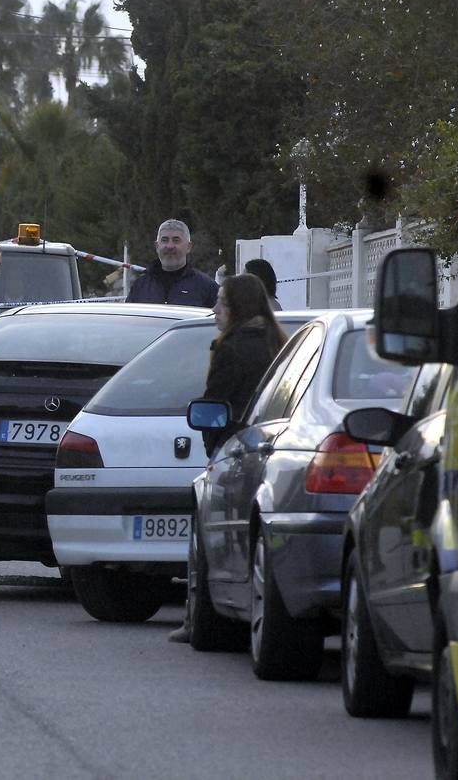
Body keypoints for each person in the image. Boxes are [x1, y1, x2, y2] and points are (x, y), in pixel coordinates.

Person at [168, 273, 288, 644]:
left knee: (208, 539)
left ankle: (198, 621)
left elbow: (214, 403)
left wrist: (215, 449)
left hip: (234, 452)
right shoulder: (280, 343)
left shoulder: (231, 347)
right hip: (272, 450)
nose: (215, 309)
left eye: (221, 301)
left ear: (238, 307)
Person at [126, 219, 218, 307]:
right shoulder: (140, 286)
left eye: (176, 240)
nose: (170, 246)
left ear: (189, 247)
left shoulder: (207, 288)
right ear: (157, 246)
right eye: (164, 240)